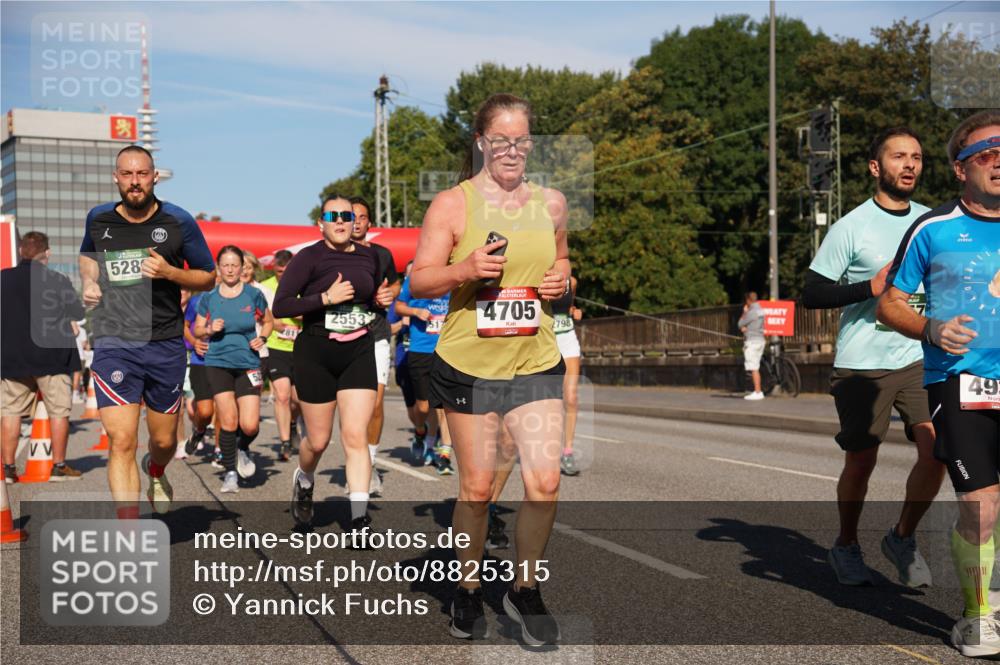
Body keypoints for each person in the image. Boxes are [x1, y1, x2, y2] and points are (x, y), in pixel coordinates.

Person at [411, 93, 569, 645]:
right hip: (469, 364)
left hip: (535, 358)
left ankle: (525, 589)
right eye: (500, 140)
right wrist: (465, 269)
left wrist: (563, 280)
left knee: (545, 480)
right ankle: (468, 586)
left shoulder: (551, 203)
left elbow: (562, 257)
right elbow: (420, 280)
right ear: (481, 142)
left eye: (520, 140)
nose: (511, 150)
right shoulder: (452, 205)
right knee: (477, 489)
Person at [877, 111, 1000, 657]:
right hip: (961, 380)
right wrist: (930, 328)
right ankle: (977, 618)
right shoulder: (932, 228)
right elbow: (889, 303)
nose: (998, 162)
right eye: (986, 153)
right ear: (959, 168)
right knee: (981, 505)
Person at [803, 127, 943, 588]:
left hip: (920, 356)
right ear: (875, 167)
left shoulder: (931, 222)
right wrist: (870, 287)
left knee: (938, 448)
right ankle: (845, 544)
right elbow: (812, 293)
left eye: (916, 157)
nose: (910, 164)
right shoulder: (852, 226)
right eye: (899, 156)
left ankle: (902, 537)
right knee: (862, 461)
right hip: (863, 362)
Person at [79, 145, 216, 515]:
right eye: (127, 174)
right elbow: (88, 256)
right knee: (121, 440)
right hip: (114, 339)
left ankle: (156, 469)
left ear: (155, 177)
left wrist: (170, 272)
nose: (135, 182)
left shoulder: (178, 221)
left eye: (142, 174)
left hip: (165, 342)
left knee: (164, 440)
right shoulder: (99, 219)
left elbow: (208, 276)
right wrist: (89, 280)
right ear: (116, 177)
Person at [272, 195, 394, 534]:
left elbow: (369, 301)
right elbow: (281, 306)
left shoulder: (371, 256)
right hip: (316, 354)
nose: (341, 221)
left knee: (355, 436)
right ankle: (305, 479)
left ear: (355, 221)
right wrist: (325, 298)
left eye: (346, 215)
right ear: (321, 223)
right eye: (332, 216)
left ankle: (359, 519)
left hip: (358, 351)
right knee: (318, 441)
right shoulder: (308, 257)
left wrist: (380, 300)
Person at [1, 231, 85, 482]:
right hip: (53, 358)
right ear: (47, 253)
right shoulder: (58, 280)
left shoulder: (3, 279)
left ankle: (8, 469)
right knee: (58, 411)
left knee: (11, 411)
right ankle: (59, 466)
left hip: (13, 357)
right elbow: (77, 312)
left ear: (21, 251)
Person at [193, 245, 272, 493]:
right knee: (228, 420)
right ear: (218, 268)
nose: (229, 270)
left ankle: (243, 448)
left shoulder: (253, 295)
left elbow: (268, 321)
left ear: (241, 268)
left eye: (234, 265)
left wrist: (263, 338)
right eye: (225, 265)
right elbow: (197, 329)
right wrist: (209, 329)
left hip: (248, 363)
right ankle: (230, 473)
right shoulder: (209, 297)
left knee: (250, 425)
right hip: (218, 362)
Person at [349, 196, 402, 494]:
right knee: (351, 408)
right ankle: (354, 461)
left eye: (362, 217)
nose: (357, 222)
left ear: (369, 222)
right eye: (351, 216)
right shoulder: (333, 253)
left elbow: (395, 283)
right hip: (343, 336)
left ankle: (368, 464)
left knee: (376, 402)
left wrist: (389, 293)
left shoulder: (382, 253)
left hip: (376, 333)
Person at [394, 272, 454, 475]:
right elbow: (398, 306)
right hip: (421, 350)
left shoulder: (455, 275)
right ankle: (421, 430)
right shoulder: (415, 279)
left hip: (448, 349)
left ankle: (444, 454)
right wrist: (415, 311)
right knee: (424, 406)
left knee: (446, 404)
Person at [259, 249, 302, 462]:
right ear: (273, 268)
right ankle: (285, 442)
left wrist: (294, 311)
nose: (282, 276)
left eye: (287, 272)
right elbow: (262, 316)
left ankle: (293, 424)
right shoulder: (265, 287)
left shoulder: (303, 284)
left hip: (301, 347)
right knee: (282, 396)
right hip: (275, 347)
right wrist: (273, 322)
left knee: (298, 400)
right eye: (279, 271)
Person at [553, 275, 583, 475]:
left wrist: (573, 311)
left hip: (567, 340)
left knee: (571, 398)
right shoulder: (536, 272)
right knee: (549, 401)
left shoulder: (571, 282)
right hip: (545, 341)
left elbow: (568, 306)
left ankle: (568, 452)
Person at [182, 289, 216, 458]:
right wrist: (194, 342)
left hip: (229, 361)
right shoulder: (198, 300)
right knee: (205, 412)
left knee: (225, 410)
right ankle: (199, 430)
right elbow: (185, 325)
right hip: (201, 361)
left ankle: (223, 451)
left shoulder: (242, 296)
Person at [738, 292, 765, 401]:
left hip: (752, 341)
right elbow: (756, 325)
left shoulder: (751, 312)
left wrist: (744, 312)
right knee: (756, 366)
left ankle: (758, 392)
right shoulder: (761, 310)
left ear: (748, 300)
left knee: (753, 367)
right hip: (760, 340)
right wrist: (748, 328)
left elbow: (740, 323)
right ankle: (757, 390)